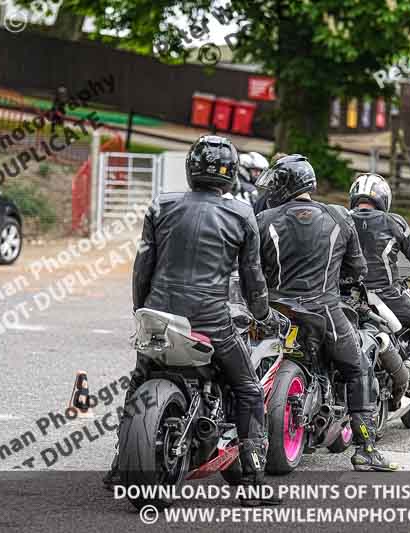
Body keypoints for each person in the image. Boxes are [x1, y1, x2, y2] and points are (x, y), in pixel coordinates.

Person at [105, 135, 281, 506]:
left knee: (140, 378)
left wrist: (144, 310)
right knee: (249, 390)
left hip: (158, 313)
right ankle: (251, 480)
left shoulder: (160, 205)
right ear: (231, 174)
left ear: (190, 168)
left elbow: (143, 269)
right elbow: (253, 279)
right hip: (211, 320)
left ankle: (121, 463)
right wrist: (264, 316)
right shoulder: (242, 214)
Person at [255, 155, 398, 472]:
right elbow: (357, 269)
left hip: (272, 311)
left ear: (287, 185)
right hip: (325, 310)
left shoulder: (263, 219)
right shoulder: (338, 217)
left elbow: (252, 268)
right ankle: (366, 449)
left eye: (276, 183)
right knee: (358, 368)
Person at [348, 173, 410, 400]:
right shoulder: (393, 222)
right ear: (383, 199)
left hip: (346, 295)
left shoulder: (342, 218)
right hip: (385, 296)